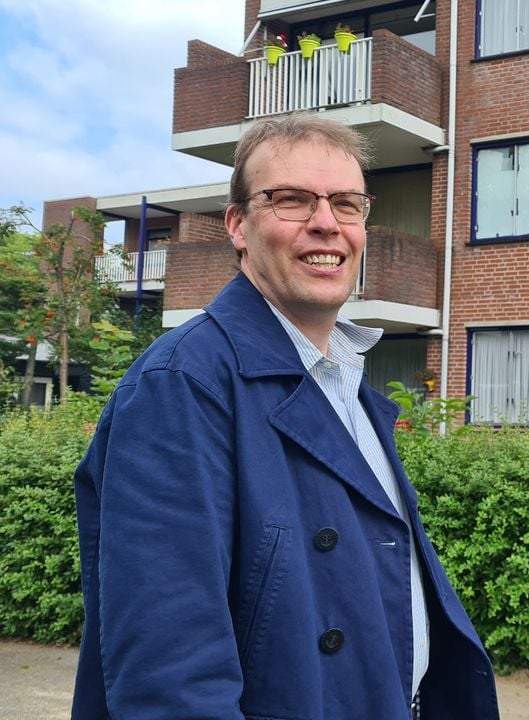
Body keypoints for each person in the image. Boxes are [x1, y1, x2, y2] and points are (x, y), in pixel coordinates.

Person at [72, 114, 500, 719]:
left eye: (347, 204)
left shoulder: (344, 376)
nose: (327, 222)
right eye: (292, 200)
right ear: (238, 225)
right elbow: (172, 678)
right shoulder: (181, 386)